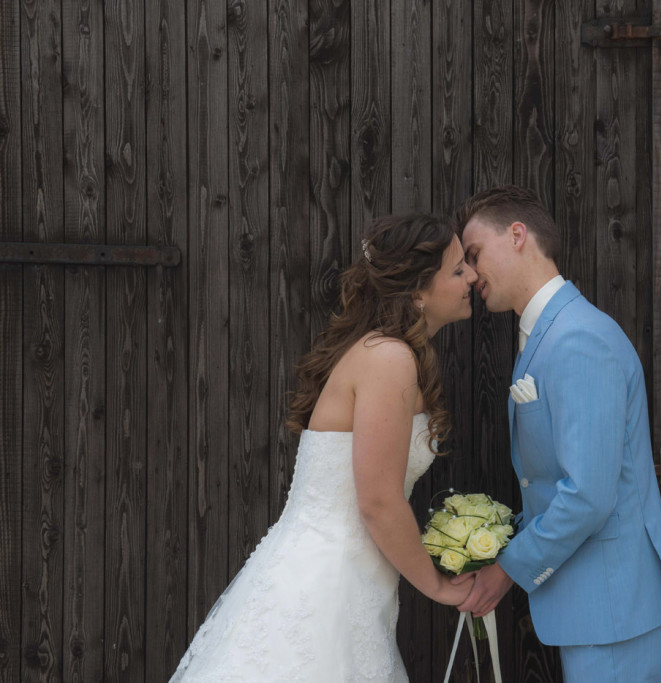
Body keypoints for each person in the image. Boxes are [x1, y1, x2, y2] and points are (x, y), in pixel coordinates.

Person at [170, 213, 478, 682]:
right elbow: (377, 501)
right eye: (458, 270)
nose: (472, 276)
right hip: (327, 585)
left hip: (352, 581)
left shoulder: (390, 353)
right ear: (418, 292)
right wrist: (439, 587)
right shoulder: (389, 358)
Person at [453, 185, 661, 682]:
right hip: (597, 606)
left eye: (474, 255)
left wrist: (508, 569)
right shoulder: (547, 334)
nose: (470, 274)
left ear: (517, 236)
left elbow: (587, 495)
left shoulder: (577, 337)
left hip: (612, 609)